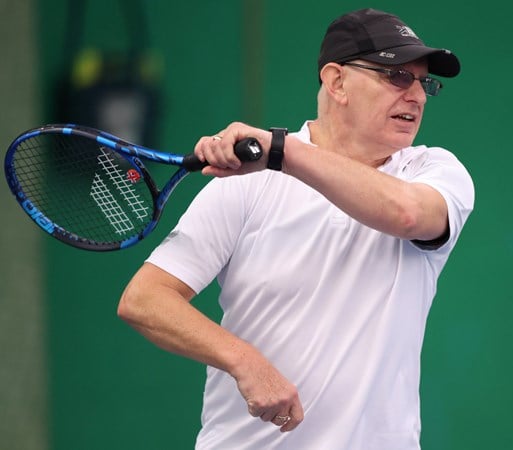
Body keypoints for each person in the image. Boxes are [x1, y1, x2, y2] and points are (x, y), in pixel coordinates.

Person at [118, 8, 474, 450]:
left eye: (425, 83)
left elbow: (406, 214)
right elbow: (145, 299)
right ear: (337, 81)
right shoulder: (246, 184)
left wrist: (279, 151)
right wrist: (243, 360)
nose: (417, 96)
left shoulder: (435, 171)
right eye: (398, 76)